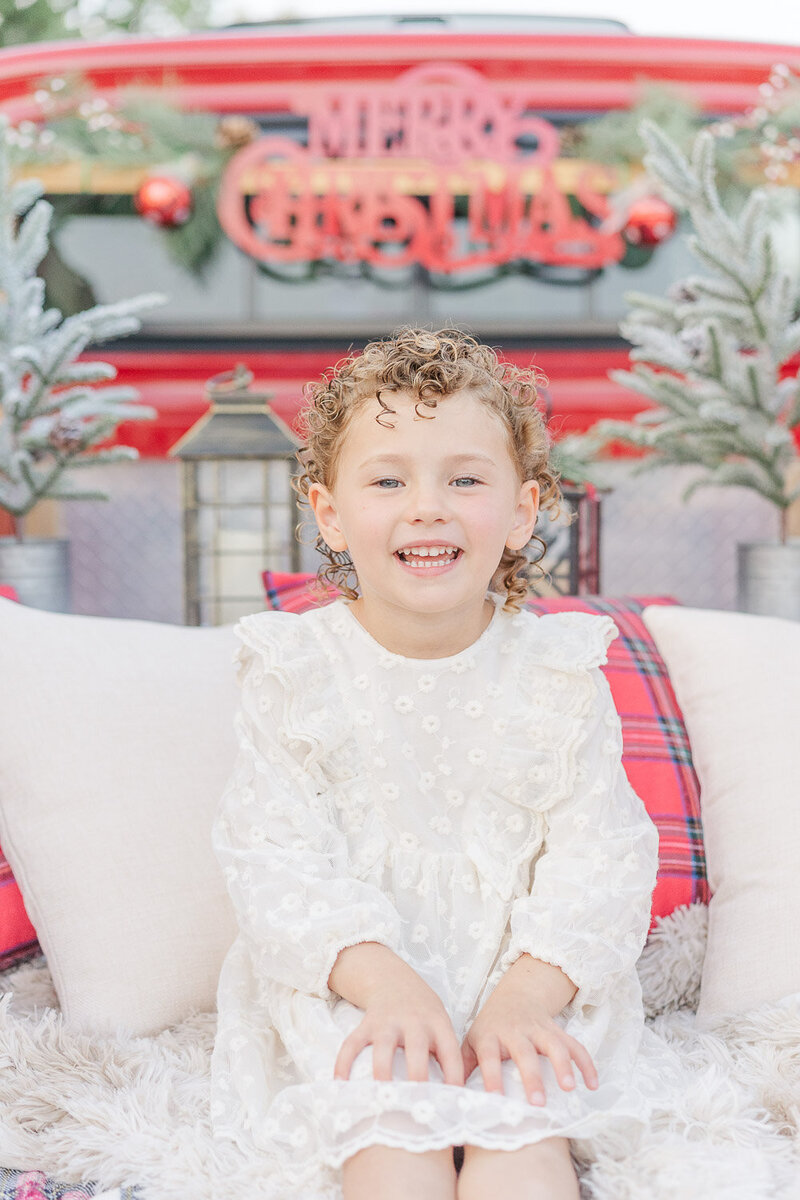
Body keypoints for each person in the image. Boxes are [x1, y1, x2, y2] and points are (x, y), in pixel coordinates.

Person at [209, 327, 661, 1200]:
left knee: (523, 1140)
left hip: (525, 981)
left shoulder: (558, 675)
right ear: (330, 512)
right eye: (388, 479)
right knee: (391, 1139)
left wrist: (529, 997)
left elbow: (601, 860)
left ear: (523, 510)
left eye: (465, 478)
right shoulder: (296, 673)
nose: (428, 506)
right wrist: (383, 984)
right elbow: (272, 858)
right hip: (359, 989)